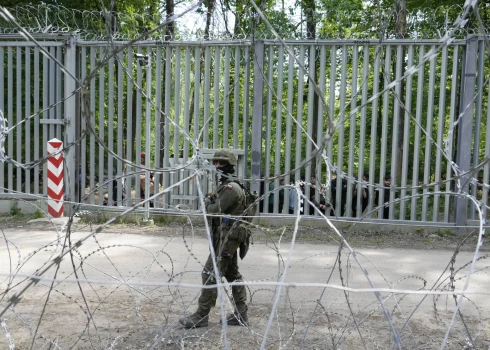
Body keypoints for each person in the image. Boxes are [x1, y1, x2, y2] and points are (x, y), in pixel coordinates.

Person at [179, 149, 250, 329]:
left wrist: (208, 202)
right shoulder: (226, 185)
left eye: (222, 163)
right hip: (226, 236)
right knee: (232, 274)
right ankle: (241, 314)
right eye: (216, 162)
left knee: (210, 273)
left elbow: (212, 211)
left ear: (230, 165)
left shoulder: (231, 188)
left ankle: (201, 315)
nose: (217, 166)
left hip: (228, 237)